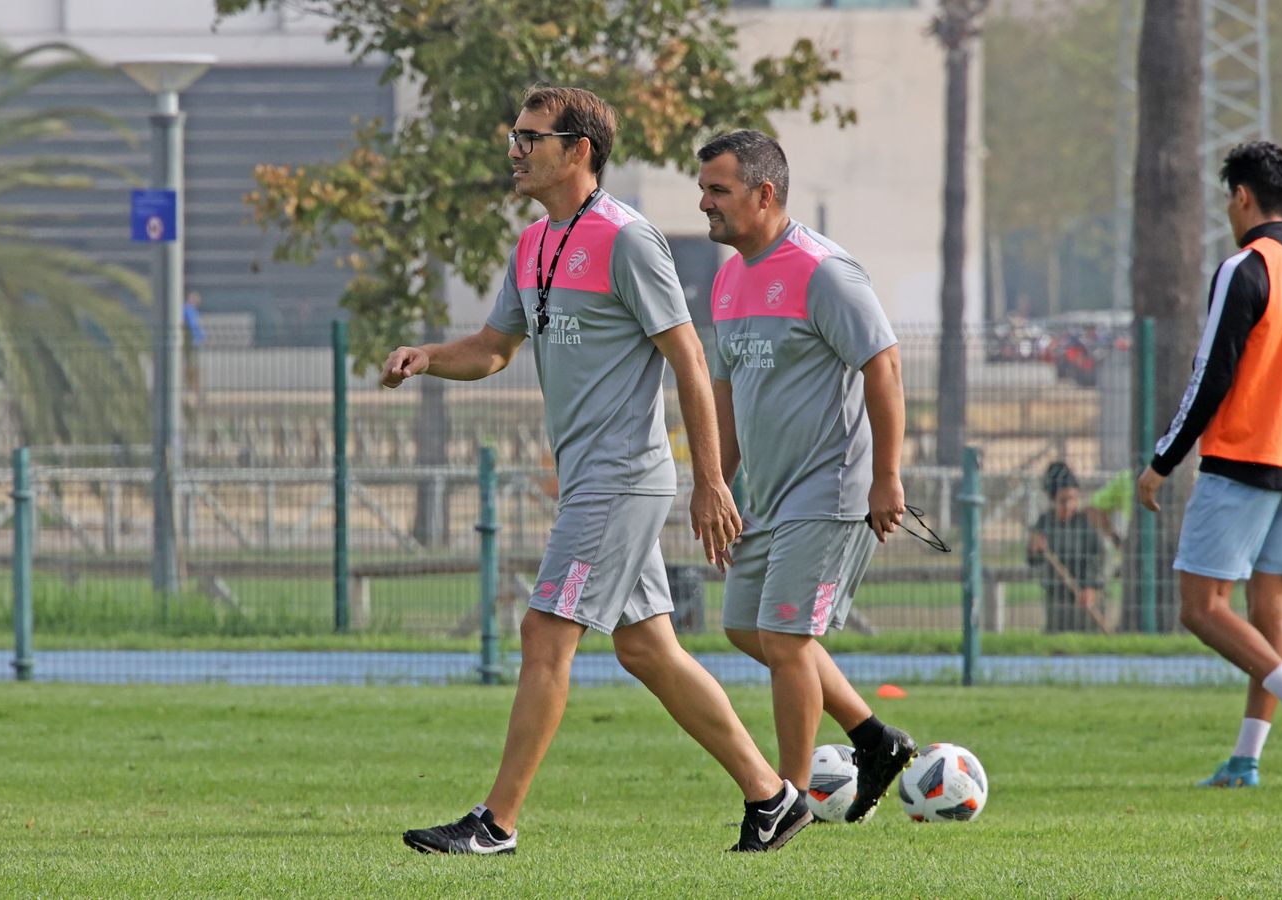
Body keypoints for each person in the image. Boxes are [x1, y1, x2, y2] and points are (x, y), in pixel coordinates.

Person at [392, 88, 808, 855]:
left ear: (578, 149)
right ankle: (773, 796)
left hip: (622, 477)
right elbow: (491, 349)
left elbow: (688, 357)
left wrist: (710, 481)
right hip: (591, 479)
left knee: (544, 629)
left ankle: (497, 823)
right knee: (646, 648)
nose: (514, 149)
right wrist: (426, 359)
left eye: (530, 137)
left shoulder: (626, 239)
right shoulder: (533, 243)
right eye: (513, 135)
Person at [695, 129, 917, 823]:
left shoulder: (824, 270)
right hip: (763, 496)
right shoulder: (728, 278)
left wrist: (887, 476)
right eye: (703, 190)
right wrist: (718, 485)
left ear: (765, 194)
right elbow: (726, 395)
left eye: (718, 190)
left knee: (788, 639)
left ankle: (783, 801)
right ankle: (873, 738)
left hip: (831, 489)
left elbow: (883, 365)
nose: (705, 204)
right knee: (745, 629)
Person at [1135, 141, 1282, 789]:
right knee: (1269, 616)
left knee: (1201, 608)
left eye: (1228, 198)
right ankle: (1246, 760)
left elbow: (1211, 374)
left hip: (1243, 459)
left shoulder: (1245, 266)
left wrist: (1162, 460)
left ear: (1242, 197)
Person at [1028, 461, 1107, 633]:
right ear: (1053, 500)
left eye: (1073, 499)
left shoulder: (1086, 523)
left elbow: (1100, 557)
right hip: (1057, 598)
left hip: (1085, 598)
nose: (1069, 505)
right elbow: (1034, 561)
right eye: (1063, 501)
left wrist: (1091, 586)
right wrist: (1034, 550)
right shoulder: (1044, 523)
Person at [182, 291, 205, 402]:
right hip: (191, 343)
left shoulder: (191, 311)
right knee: (193, 367)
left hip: (193, 343)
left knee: (192, 367)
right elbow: (192, 326)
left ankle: (195, 390)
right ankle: (196, 391)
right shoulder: (187, 310)